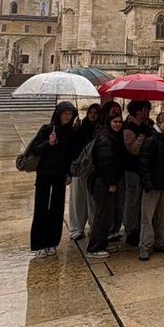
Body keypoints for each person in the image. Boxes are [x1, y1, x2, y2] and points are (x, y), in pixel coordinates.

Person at [27, 101, 82, 256]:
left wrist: (69, 174)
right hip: (45, 173)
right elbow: (34, 149)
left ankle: (52, 242)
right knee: (41, 207)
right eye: (65, 113)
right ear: (58, 114)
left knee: (57, 209)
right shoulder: (47, 129)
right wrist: (48, 143)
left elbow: (71, 155)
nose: (67, 116)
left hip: (60, 174)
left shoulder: (70, 132)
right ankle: (38, 244)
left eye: (70, 114)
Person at [138, 109, 164, 260]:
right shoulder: (152, 140)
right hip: (153, 185)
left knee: (163, 216)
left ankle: (160, 242)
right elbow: (144, 163)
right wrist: (147, 182)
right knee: (147, 217)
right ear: (158, 123)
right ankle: (145, 245)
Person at [87, 110, 126, 257]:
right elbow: (105, 163)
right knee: (102, 214)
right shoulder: (105, 139)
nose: (118, 124)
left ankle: (102, 243)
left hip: (107, 180)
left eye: (119, 122)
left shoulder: (112, 137)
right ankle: (94, 247)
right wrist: (111, 182)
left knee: (107, 214)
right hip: (102, 182)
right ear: (109, 123)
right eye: (115, 122)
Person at [121, 100, 154, 247]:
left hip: (144, 169)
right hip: (132, 169)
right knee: (132, 200)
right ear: (138, 111)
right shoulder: (128, 127)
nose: (147, 112)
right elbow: (133, 149)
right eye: (145, 109)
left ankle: (141, 226)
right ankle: (130, 229)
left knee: (142, 200)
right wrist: (142, 134)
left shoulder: (146, 125)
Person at [68, 103, 101, 242]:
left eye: (96, 112)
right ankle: (77, 227)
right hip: (80, 168)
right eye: (91, 112)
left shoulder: (101, 129)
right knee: (78, 197)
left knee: (93, 199)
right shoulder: (81, 127)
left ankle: (94, 226)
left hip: (94, 169)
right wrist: (74, 130)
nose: (93, 115)